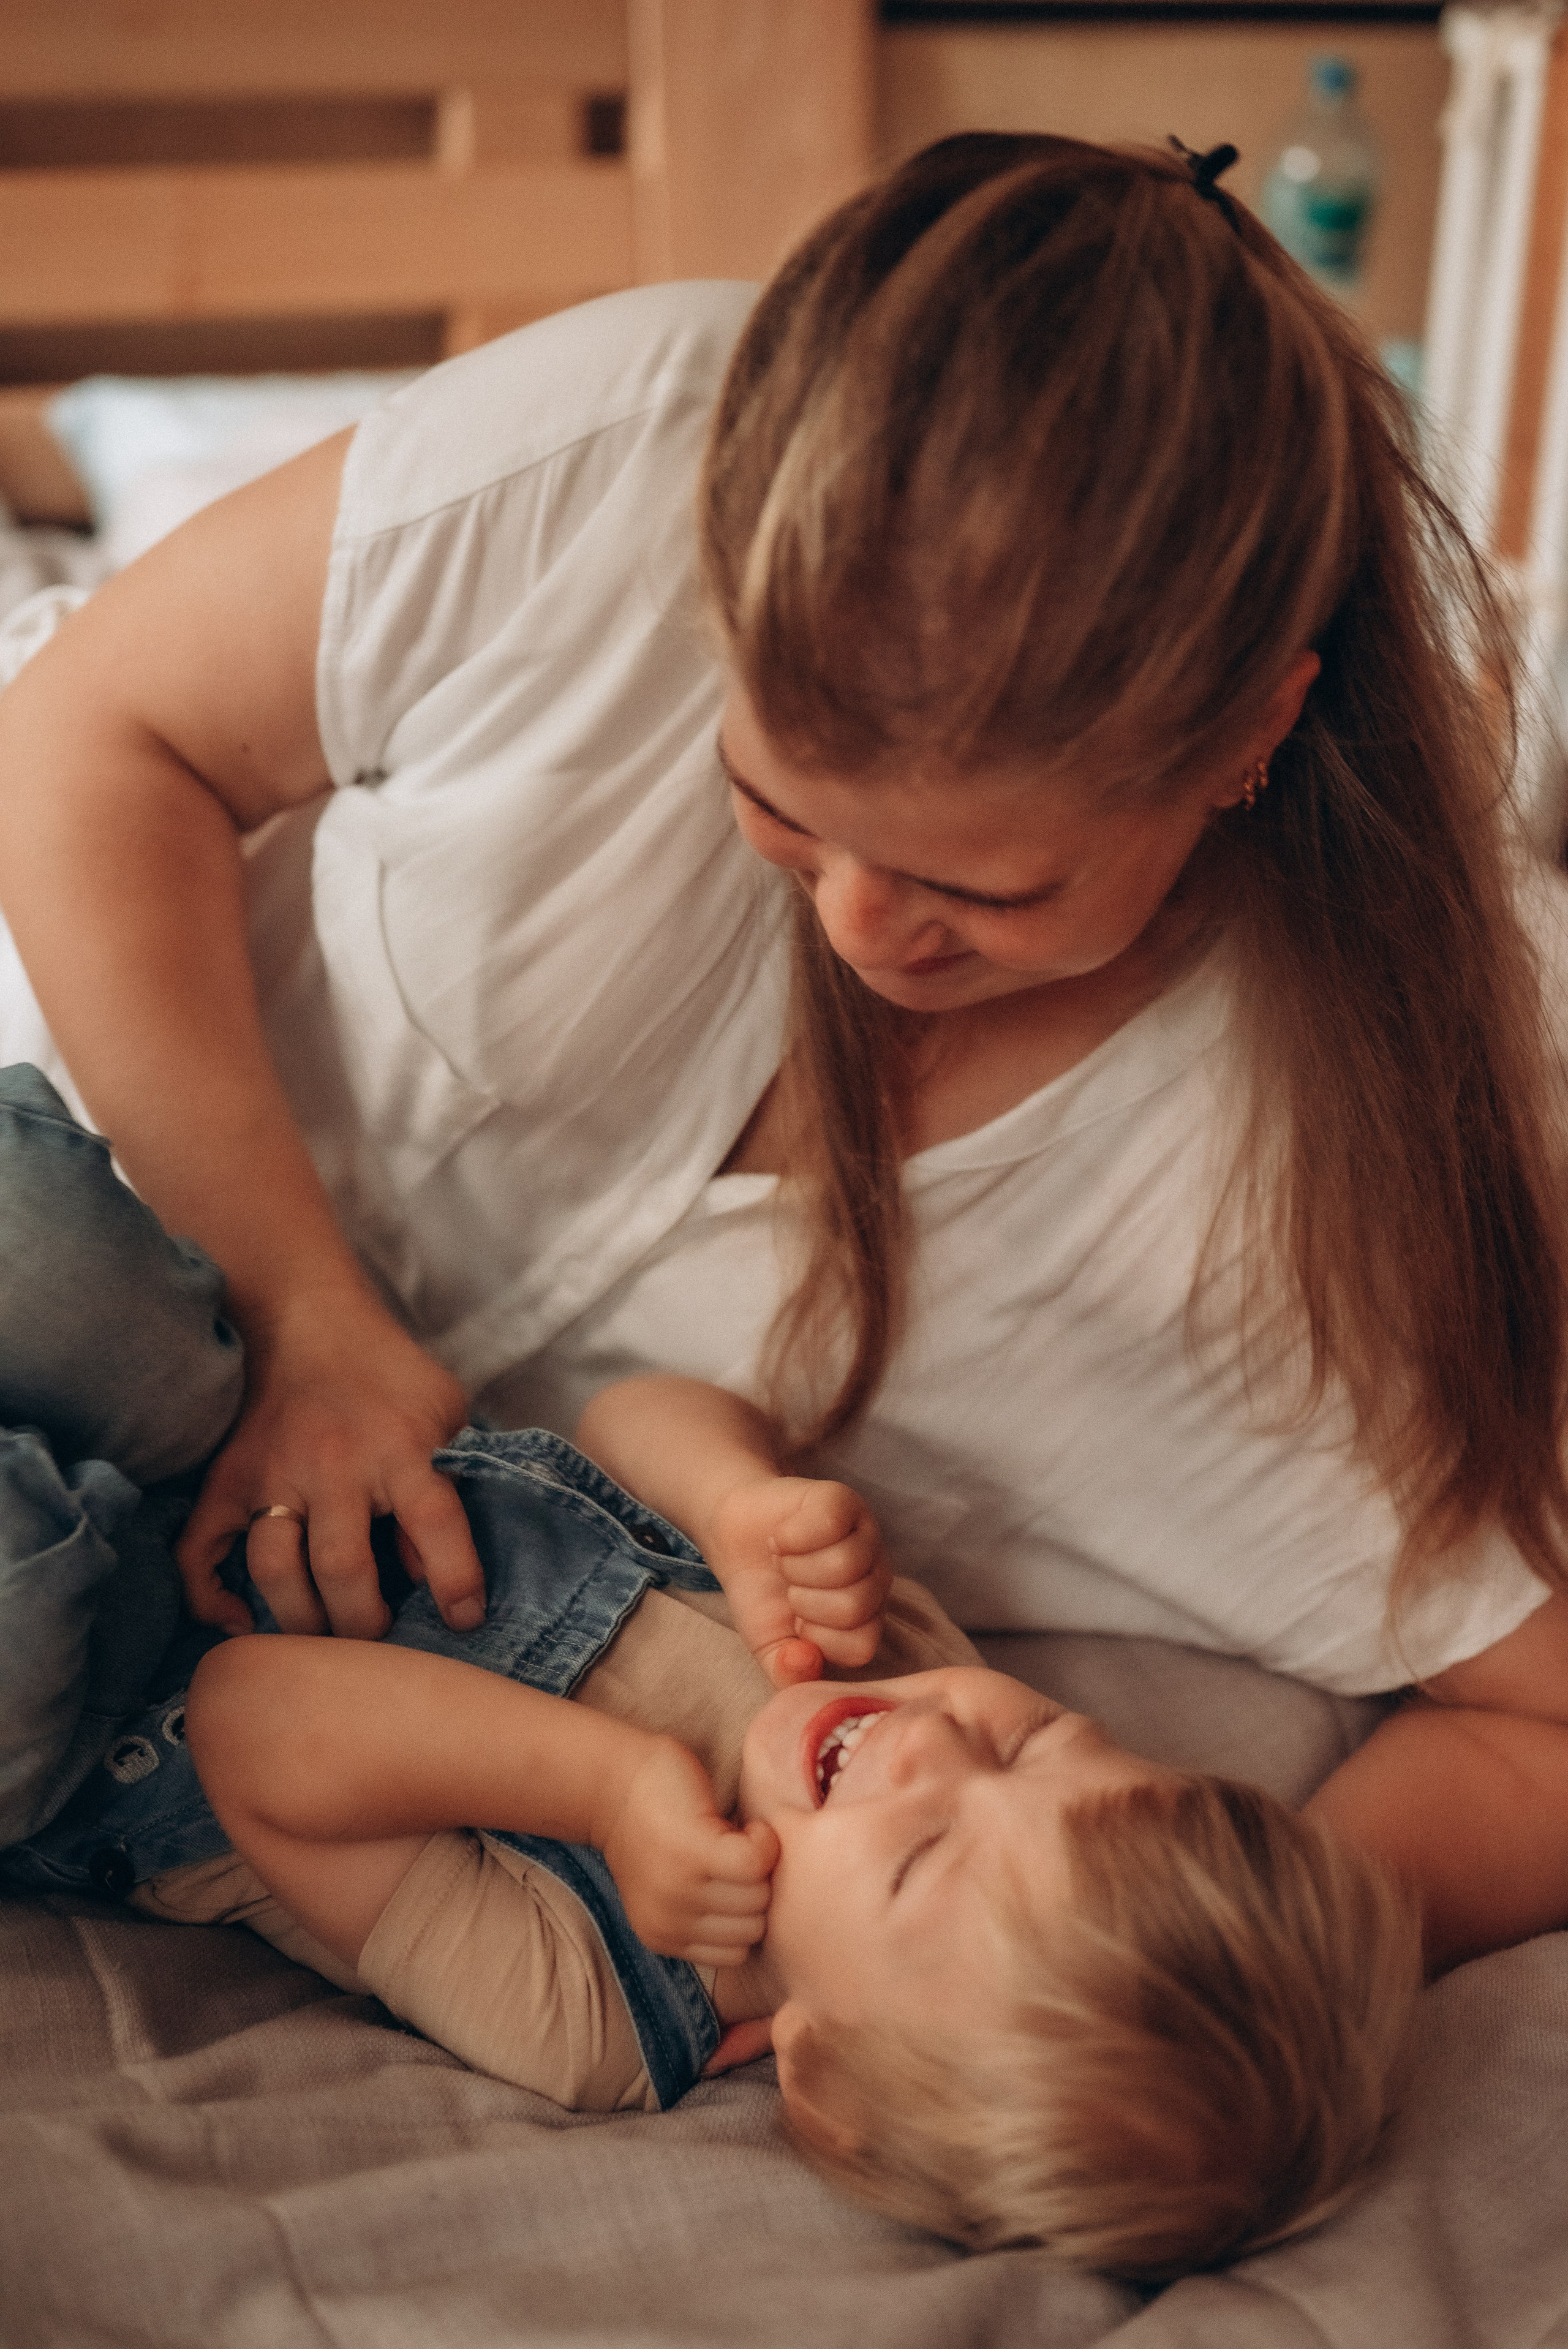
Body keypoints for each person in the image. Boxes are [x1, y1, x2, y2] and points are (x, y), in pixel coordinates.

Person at [1, 134, 1567, 1951]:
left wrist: (1140, 1967)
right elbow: (90, 735)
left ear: (1251, 738)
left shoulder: (1330, 1177)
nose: (851, 925)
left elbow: (1538, 1700)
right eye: (774, 805)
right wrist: (305, 1310)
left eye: (982, 889)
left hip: (151, 1653)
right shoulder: (632, 443)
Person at [0, 1076, 1418, 2279]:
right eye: (1039, 1742)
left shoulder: (592, 2012)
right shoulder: (893, 1666)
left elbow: (259, 1721)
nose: (936, 1753)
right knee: (65, 1259)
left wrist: (613, 1788)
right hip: (252, 1439)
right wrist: (736, 1491)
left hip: (85, 1710)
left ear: (819, 2078)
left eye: (920, 1862)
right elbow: (621, 1412)